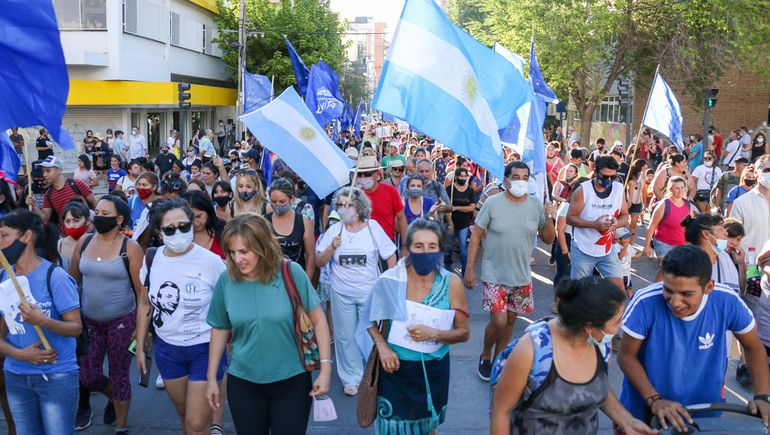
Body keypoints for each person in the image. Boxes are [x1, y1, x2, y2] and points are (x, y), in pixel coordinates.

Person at [618, 245, 770, 432]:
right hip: (646, 412)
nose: (675, 302)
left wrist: (763, 397)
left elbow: (753, 346)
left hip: (704, 414)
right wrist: (655, 400)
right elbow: (626, 356)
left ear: (709, 287)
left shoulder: (727, 301)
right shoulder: (644, 302)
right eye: (668, 290)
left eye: (686, 294)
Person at [205, 214, 332, 434]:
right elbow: (219, 328)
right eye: (232, 252)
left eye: (244, 251)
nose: (237, 259)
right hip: (243, 382)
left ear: (263, 246)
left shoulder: (291, 273)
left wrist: (326, 368)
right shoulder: (226, 280)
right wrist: (211, 378)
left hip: (292, 380)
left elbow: (318, 320)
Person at [490, 277, 655, 435]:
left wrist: (627, 421)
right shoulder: (533, 350)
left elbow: (595, 390)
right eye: (617, 321)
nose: (621, 325)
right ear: (589, 328)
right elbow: (501, 411)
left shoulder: (600, 343)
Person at [360, 218, 470, 434]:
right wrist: (383, 347)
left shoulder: (451, 283)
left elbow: (464, 333)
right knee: (391, 429)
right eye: (418, 246)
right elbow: (368, 319)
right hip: (395, 372)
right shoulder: (390, 281)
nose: (425, 252)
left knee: (426, 428)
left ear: (440, 250)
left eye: (432, 246)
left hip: (432, 373)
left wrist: (435, 333)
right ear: (408, 249)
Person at [134, 198, 227, 435]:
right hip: (168, 349)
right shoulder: (152, 258)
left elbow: (228, 307)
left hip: (205, 348)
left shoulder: (212, 262)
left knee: (196, 422)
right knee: (185, 415)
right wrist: (141, 346)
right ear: (159, 231)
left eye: (184, 226)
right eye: (170, 229)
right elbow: (145, 300)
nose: (179, 233)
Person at [464, 161, 556, 381]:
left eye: (525, 177)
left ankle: (499, 358)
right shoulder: (493, 203)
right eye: (516, 176)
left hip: (522, 276)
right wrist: (469, 268)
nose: (521, 181)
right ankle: (486, 354)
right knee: (498, 322)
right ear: (506, 180)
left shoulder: (535, 205)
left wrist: (550, 216)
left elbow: (548, 238)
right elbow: (476, 235)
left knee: (511, 320)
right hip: (494, 274)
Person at [0, 210, 83, 435]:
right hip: (16, 376)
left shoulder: (55, 277)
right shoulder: (3, 278)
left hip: (57, 376)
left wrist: (42, 321)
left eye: (4, 235)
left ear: (26, 236)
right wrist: (20, 354)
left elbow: (76, 328)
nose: (0, 242)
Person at [69, 196, 143, 435]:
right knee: (88, 375)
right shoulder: (84, 241)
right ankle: (114, 397)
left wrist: (141, 330)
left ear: (119, 219)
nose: (97, 217)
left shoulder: (130, 248)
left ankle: (121, 426)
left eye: (104, 213)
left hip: (122, 321)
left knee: (120, 374)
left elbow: (142, 294)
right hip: (89, 322)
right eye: (96, 212)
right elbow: (72, 284)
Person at [316, 187, 397, 396]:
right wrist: (331, 248)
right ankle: (351, 378)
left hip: (370, 293)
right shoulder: (335, 231)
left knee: (372, 335)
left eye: (349, 204)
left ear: (360, 207)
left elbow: (390, 255)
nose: (344, 209)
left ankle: (372, 373)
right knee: (344, 337)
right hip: (341, 293)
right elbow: (319, 261)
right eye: (341, 205)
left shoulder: (373, 228)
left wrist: (390, 280)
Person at [566, 155, 629, 290]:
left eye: (613, 177)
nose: (609, 180)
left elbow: (625, 215)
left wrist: (616, 224)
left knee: (619, 289)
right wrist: (595, 225)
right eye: (605, 177)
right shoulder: (582, 190)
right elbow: (570, 218)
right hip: (583, 247)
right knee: (578, 292)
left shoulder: (618, 189)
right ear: (595, 173)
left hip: (606, 248)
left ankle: (613, 311)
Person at [26, 156, 97, 232]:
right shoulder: (49, 194)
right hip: (66, 235)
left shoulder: (77, 184)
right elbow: (45, 217)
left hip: (85, 232)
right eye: (43, 171)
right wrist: (34, 205)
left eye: (48, 171)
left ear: (59, 170)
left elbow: (95, 204)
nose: (45, 174)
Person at [354, 156, 408, 251]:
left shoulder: (391, 192)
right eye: (359, 174)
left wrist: (405, 247)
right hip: (362, 246)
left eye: (367, 173)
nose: (363, 177)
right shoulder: (355, 195)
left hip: (387, 245)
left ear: (377, 174)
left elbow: (402, 218)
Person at [265, 178, 316, 277]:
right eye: (274, 201)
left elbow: (310, 256)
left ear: (291, 199)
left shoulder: (303, 221)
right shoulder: (264, 222)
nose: (278, 205)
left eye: (282, 201)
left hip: (296, 279)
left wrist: (306, 283)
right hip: (270, 278)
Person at [642, 176, 693, 261]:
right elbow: (652, 226)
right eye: (677, 188)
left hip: (681, 245)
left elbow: (691, 226)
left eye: (682, 187)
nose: (680, 190)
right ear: (670, 189)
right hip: (663, 244)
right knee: (667, 269)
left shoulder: (688, 205)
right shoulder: (664, 204)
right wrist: (646, 247)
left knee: (678, 271)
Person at [729, 155, 770, 255]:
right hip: (751, 266)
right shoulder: (741, 203)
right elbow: (732, 239)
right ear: (756, 173)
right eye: (767, 170)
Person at [446, 166, 475, 275]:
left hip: (464, 223)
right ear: (456, 176)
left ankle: (465, 269)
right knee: (449, 246)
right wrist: (450, 223)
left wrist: (457, 207)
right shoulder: (450, 189)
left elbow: (472, 207)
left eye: (465, 176)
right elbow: (446, 207)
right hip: (451, 222)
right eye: (460, 176)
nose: (463, 178)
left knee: (463, 247)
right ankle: (447, 269)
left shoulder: (470, 190)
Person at [183, 190, 227, 260]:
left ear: (208, 211)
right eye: (189, 219)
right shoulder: (181, 238)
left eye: (198, 216)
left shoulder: (223, 229)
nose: (195, 222)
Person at [58, 201, 91, 273]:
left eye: (76, 221)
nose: (71, 225)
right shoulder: (58, 245)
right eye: (67, 221)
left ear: (87, 221)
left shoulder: (95, 244)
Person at [625, 159, 648, 237]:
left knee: (633, 224)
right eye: (644, 168)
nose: (645, 170)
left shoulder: (644, 176)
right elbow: (632, 186)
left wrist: (645, 204)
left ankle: (630, 243)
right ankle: (622, 241)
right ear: (639, 167)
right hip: (628, 201)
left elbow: (644, 191)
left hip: (638, 202)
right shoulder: (630, 175)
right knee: (624, 223)